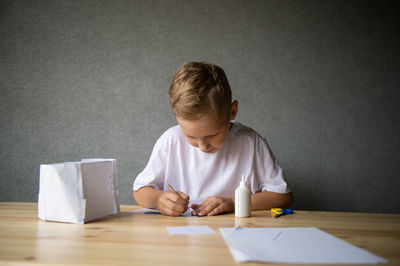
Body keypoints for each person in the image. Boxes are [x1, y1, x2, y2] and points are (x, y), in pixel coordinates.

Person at [133, 62, 293, 216]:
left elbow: (283, 197)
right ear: (178, 119)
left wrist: (233, 203)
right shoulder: (170, 141)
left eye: (212, 135)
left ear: (232, 112)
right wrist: (158, 199)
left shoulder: (251, 143)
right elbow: (139, 192)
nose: (202, 146)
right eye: (191, 136)